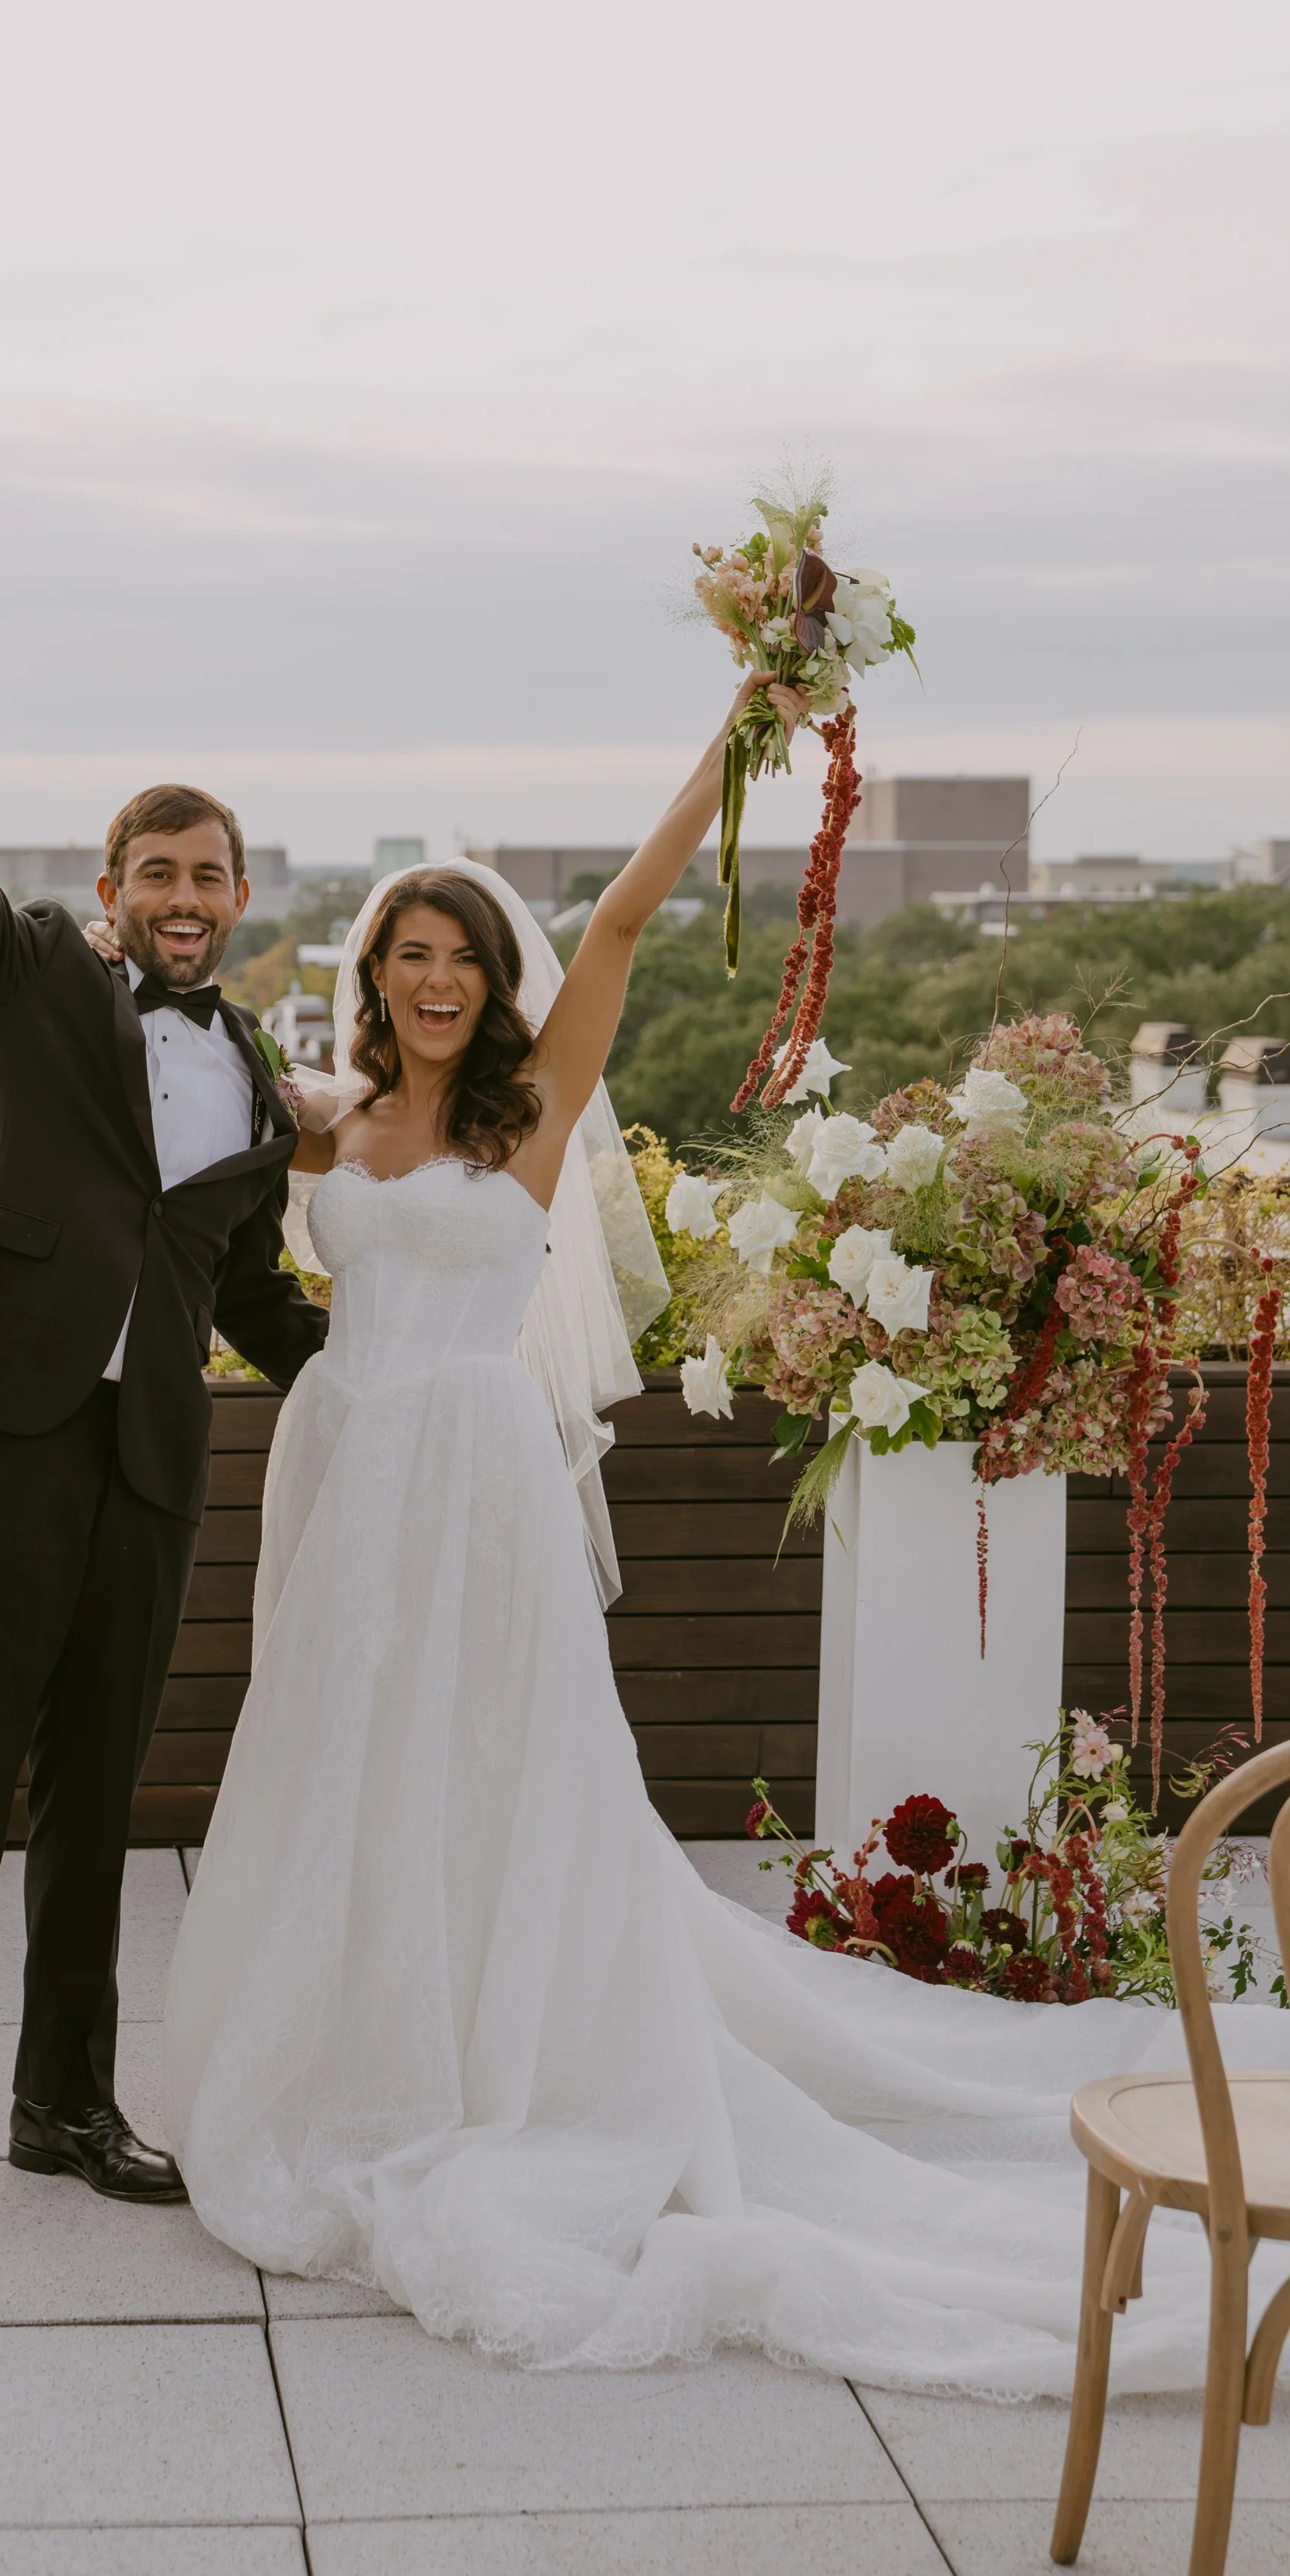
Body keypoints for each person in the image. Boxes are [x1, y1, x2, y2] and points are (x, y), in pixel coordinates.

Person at [163, 675, 1290, 2391]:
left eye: (461, 953)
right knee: (345, 1760)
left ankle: (511, 2062)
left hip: (474, 1480)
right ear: (371, 974)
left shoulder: (523, 1114)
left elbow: (623, 909)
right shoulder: (323, 1118)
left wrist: (740, 731)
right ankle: (346, 2050)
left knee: (498, 1765)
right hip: (346, 1480)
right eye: (409, 953)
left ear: (494, 975)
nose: (437, 978)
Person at [0, 552, 326, 2268]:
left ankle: (62, 2102)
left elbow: (243, 1285)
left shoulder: (251, 1065)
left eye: (211, 876)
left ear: (238, 900)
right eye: (157, 872)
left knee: (99, 1800)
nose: (184, 896)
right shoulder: (24, 972)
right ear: (109, 891)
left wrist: (381, 1371)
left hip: (147, 1462)